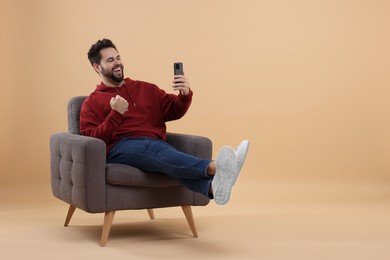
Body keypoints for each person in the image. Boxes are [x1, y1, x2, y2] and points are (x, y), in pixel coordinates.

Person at [80, 38, 249, 205]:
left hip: (155, 145)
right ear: (97, 67)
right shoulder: (91, 103)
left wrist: (184, 94)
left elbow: (174, 109)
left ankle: (212, 187)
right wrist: (115, 114)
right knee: (157, 151)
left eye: (118, 58)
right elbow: (92, 138)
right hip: (121, 148)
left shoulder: (146, 89)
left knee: (164, 157)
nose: (117, 63)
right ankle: (216, 167)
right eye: (110, 60)